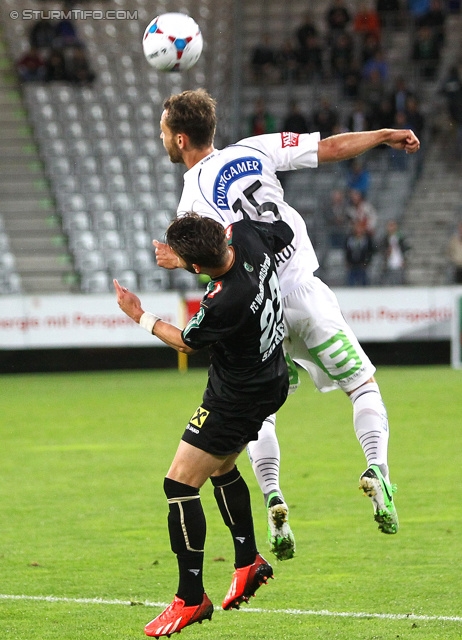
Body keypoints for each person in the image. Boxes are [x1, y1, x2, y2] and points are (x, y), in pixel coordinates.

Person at [153, 88, 420, 558]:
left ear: (179, 139)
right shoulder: (255, 149)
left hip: (261, 309)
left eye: (162, 132)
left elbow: (213, 261)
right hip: (306, 292)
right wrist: (382, 135)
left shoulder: (191, 203)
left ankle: (274, 495)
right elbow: (331, 148)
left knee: (262, 413)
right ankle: (376, 467)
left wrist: (178, 261)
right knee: (361, 385)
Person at [114, 212, 293, 636]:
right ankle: (247, 560)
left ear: (197, 267)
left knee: (179, 484)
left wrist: (138, 314)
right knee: (222, 467)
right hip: (271, 377)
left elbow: (186, 342)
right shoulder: (247, 234)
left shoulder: (223, 301)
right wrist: (192, 260)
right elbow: (282, 234)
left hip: (235, 397)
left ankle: (190, 597)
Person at [379, 219, 411, 285]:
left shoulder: (401, 238)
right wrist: (386, 252)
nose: (391, 228)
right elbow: (381, 250)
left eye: (393, 225)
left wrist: (405, 259)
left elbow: (406, 249)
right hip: (389, 264)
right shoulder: (385, 239)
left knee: (399, 280)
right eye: (390, 226)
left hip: (399, 263)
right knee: (389, 281)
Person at [345, 219, 376, 286]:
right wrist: (348, 261)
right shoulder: (350, 239)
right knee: (351, 282)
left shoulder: (367, 239)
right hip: (352, 264)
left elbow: (370, 252)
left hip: (363, 265)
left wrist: (366, 262)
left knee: (364, 282)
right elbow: (347, 251)